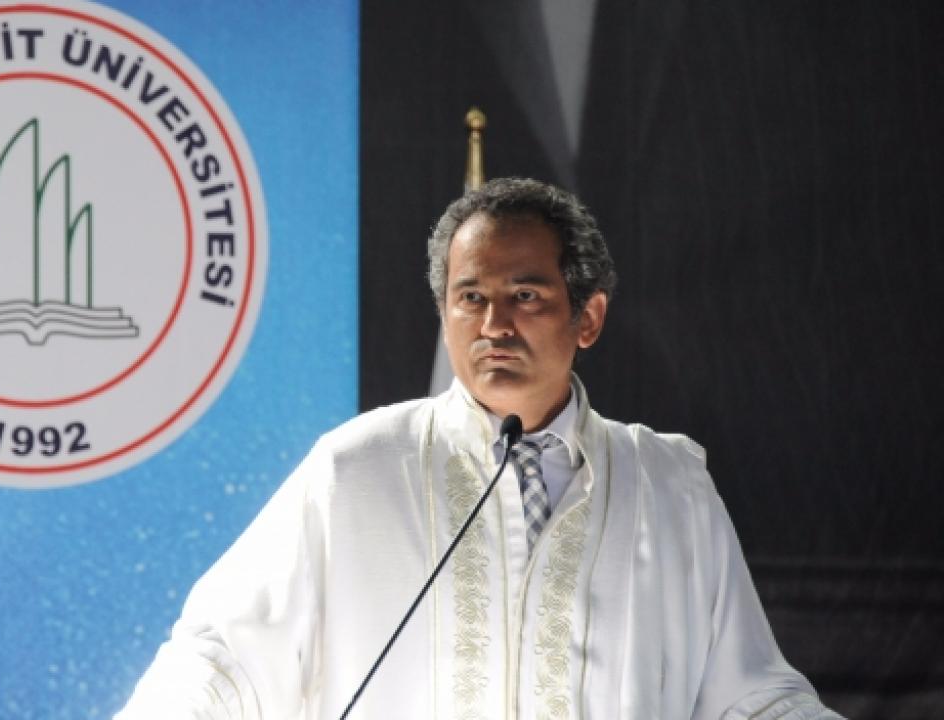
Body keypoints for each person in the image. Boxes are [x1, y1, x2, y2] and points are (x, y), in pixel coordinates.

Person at [117, 178, 840, 719]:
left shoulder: (668, 486)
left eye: (525, 296)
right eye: (470, 298)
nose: (494, 324)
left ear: (588, 317)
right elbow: (222, 662)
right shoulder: (358, 469)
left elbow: (750, 698)